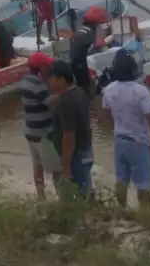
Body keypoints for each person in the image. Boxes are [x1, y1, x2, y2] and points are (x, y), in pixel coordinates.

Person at [102, 49, 150, 208]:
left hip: (119, 140)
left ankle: (121, 212)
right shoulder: (140, 91)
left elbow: (105, 115)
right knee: (143, 184)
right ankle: (145, 216)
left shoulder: (109, 89)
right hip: (139, 141)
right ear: (133, 70)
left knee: (121, 179)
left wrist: (117, 125)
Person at [48, 59, 94, 199]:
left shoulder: (66, 102)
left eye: (52, 77)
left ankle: (81, 216)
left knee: (76, 193)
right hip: (85, 149)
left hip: (75, 155)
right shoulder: (78, 92)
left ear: (61, 79)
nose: (50, 81)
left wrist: (66, 167)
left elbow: (69, 136)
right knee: (86, 187)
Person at [20, 52, 61, 200]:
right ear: (39, 67)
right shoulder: (37, 84)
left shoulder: (25, 80)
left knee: (37, 166)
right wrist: (63, 91)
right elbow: (52, 102)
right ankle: (62, 198)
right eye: (47, 65)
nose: (50, 67)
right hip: (43, 133)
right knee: (56, 169)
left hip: (30, 131)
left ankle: (41, 197)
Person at [70, 6, 109, 94]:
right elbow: (98, 45)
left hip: (74, 62)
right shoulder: (91, 33)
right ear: (97, 23)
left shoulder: (82, 30)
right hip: (81, 64)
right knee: (85, 86)